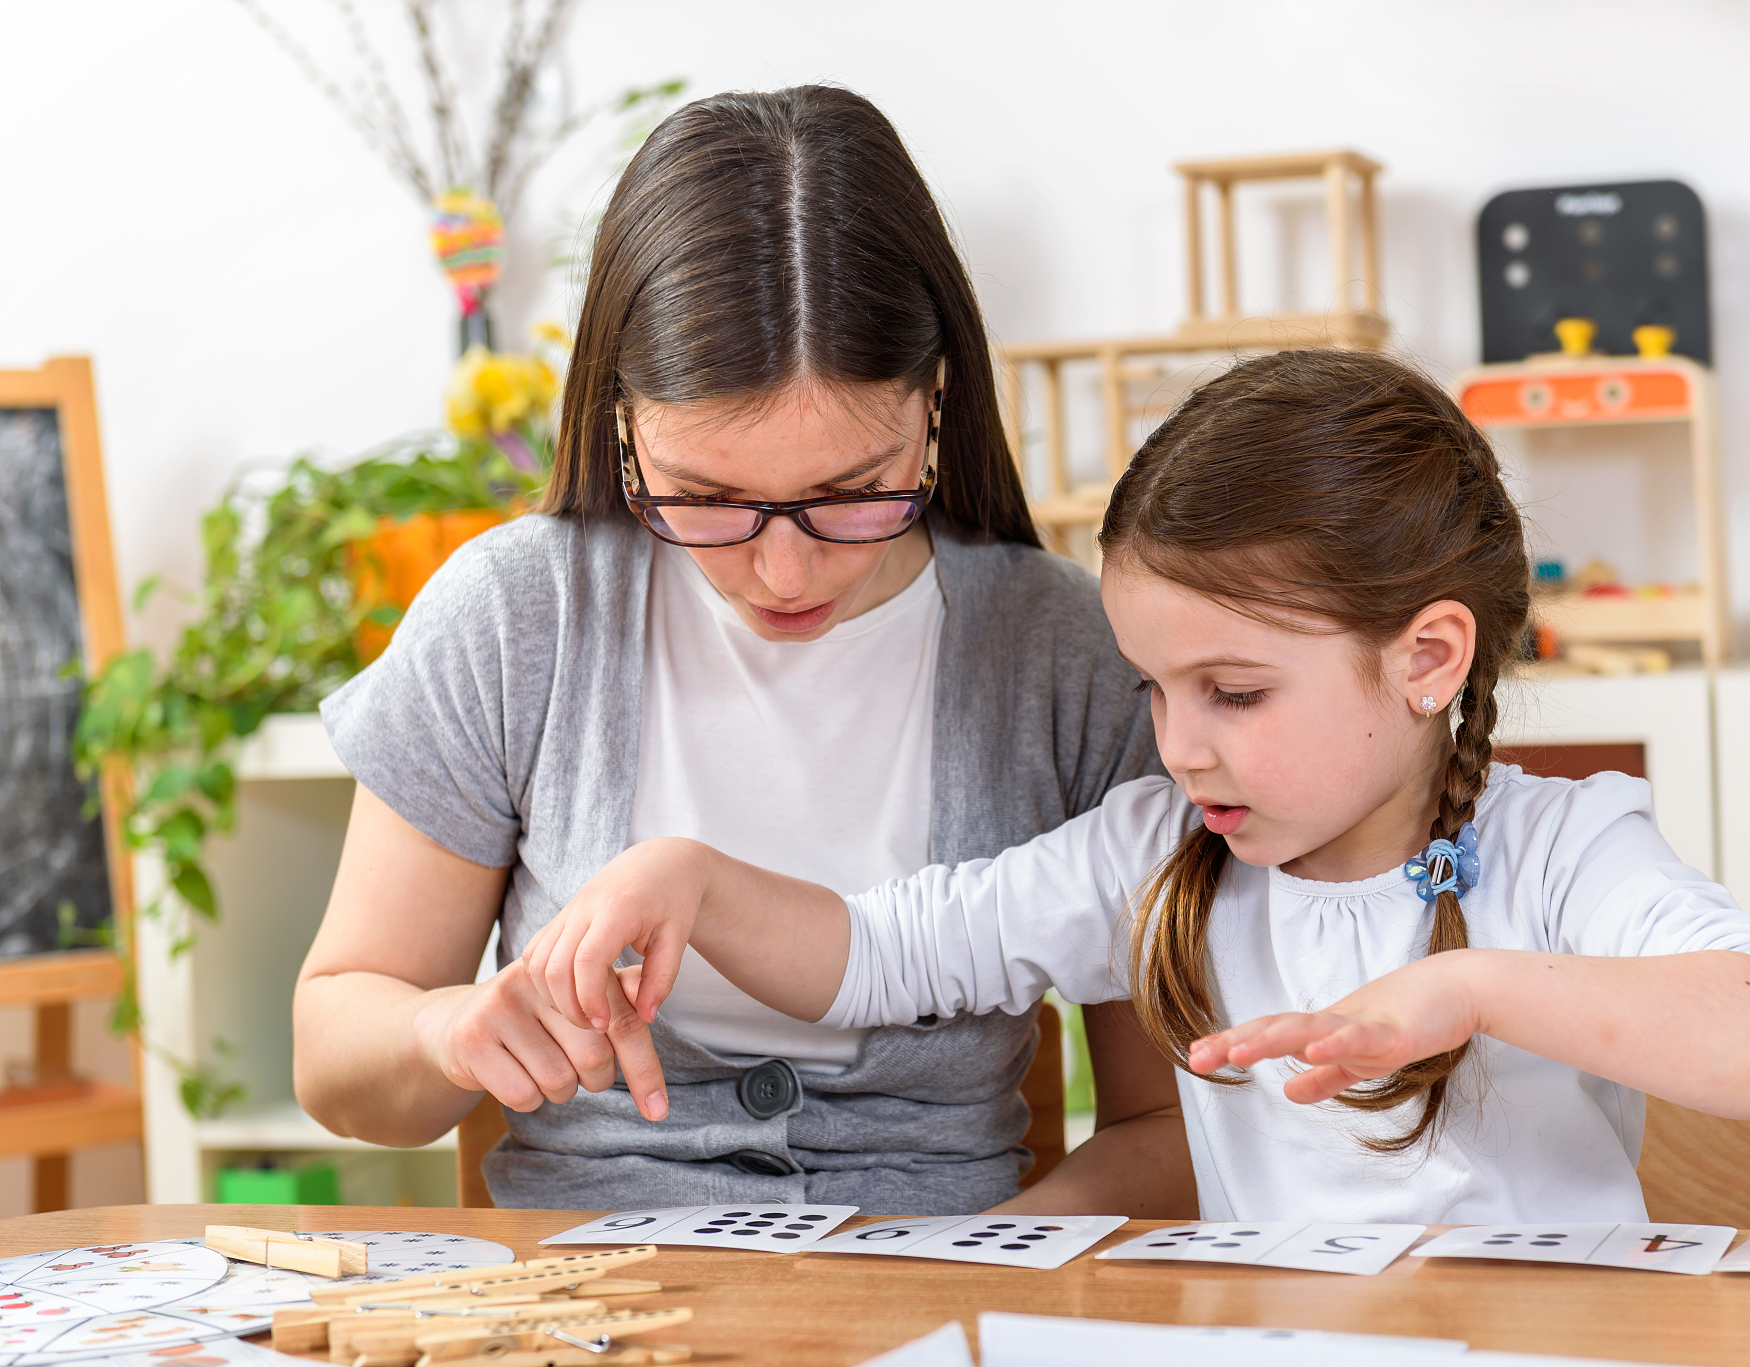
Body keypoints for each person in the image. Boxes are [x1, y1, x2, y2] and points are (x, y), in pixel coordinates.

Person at [521, 348, 1750, 1223]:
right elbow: (889, 949)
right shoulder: (1162, 849)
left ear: (1426, 656)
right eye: (1155, 687)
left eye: (1235, 690)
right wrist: (683, 874)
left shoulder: (1558, 850)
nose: (1179, 743)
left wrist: (1469, 986)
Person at [294, 85, 1195, 1216]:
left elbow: (1170, 1125)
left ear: (935, 402)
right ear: (622, 421)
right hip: (595, 1300)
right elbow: (335, 1053)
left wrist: (976, 1283)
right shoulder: (518, 616)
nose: (783, 572)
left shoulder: (1070, 653)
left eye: (852, 494)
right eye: (709, 498)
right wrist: (442, 1029)